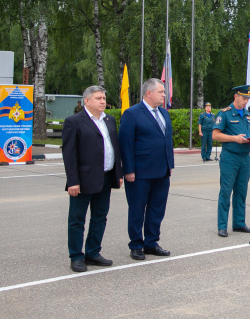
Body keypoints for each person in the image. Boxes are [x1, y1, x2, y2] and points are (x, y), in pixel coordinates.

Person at [62, 85, 123, 272]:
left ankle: (93, 252)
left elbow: (115, 147)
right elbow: (69, 153)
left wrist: (118, 173)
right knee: (77, 219)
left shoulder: (109, 120)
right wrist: (73, 180)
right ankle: (76, 256)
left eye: (104, 98)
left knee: (100, 217)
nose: (103, 101)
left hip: (105, 177)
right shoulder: (74, 121)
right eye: (98, 98)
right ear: (86, 101)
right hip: (83, 180)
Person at [119, 78, 174, 260]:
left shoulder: (164, 114)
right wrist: (128, 170)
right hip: (140, 172)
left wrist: (169, 164)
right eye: (161, 92)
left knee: (157, 209)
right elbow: (125, 144)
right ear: (148, 93)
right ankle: (136, 244)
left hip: (161, 170)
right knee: (137, 209)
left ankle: (151, 242)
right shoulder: (132, 113)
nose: (164, 95)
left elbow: (167, 141)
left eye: (164, 92)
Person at [213, 85, 250, 237]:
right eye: (244, 98)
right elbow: (215, 135)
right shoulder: (224, 114)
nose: (246, 101)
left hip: (245, 157)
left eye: (248, 99)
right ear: (236, 97)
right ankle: (222, 226)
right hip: (230, 157)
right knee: (226, 191)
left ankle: (239, 223)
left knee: (241, 191)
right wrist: (234, 138)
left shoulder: (249, 115)